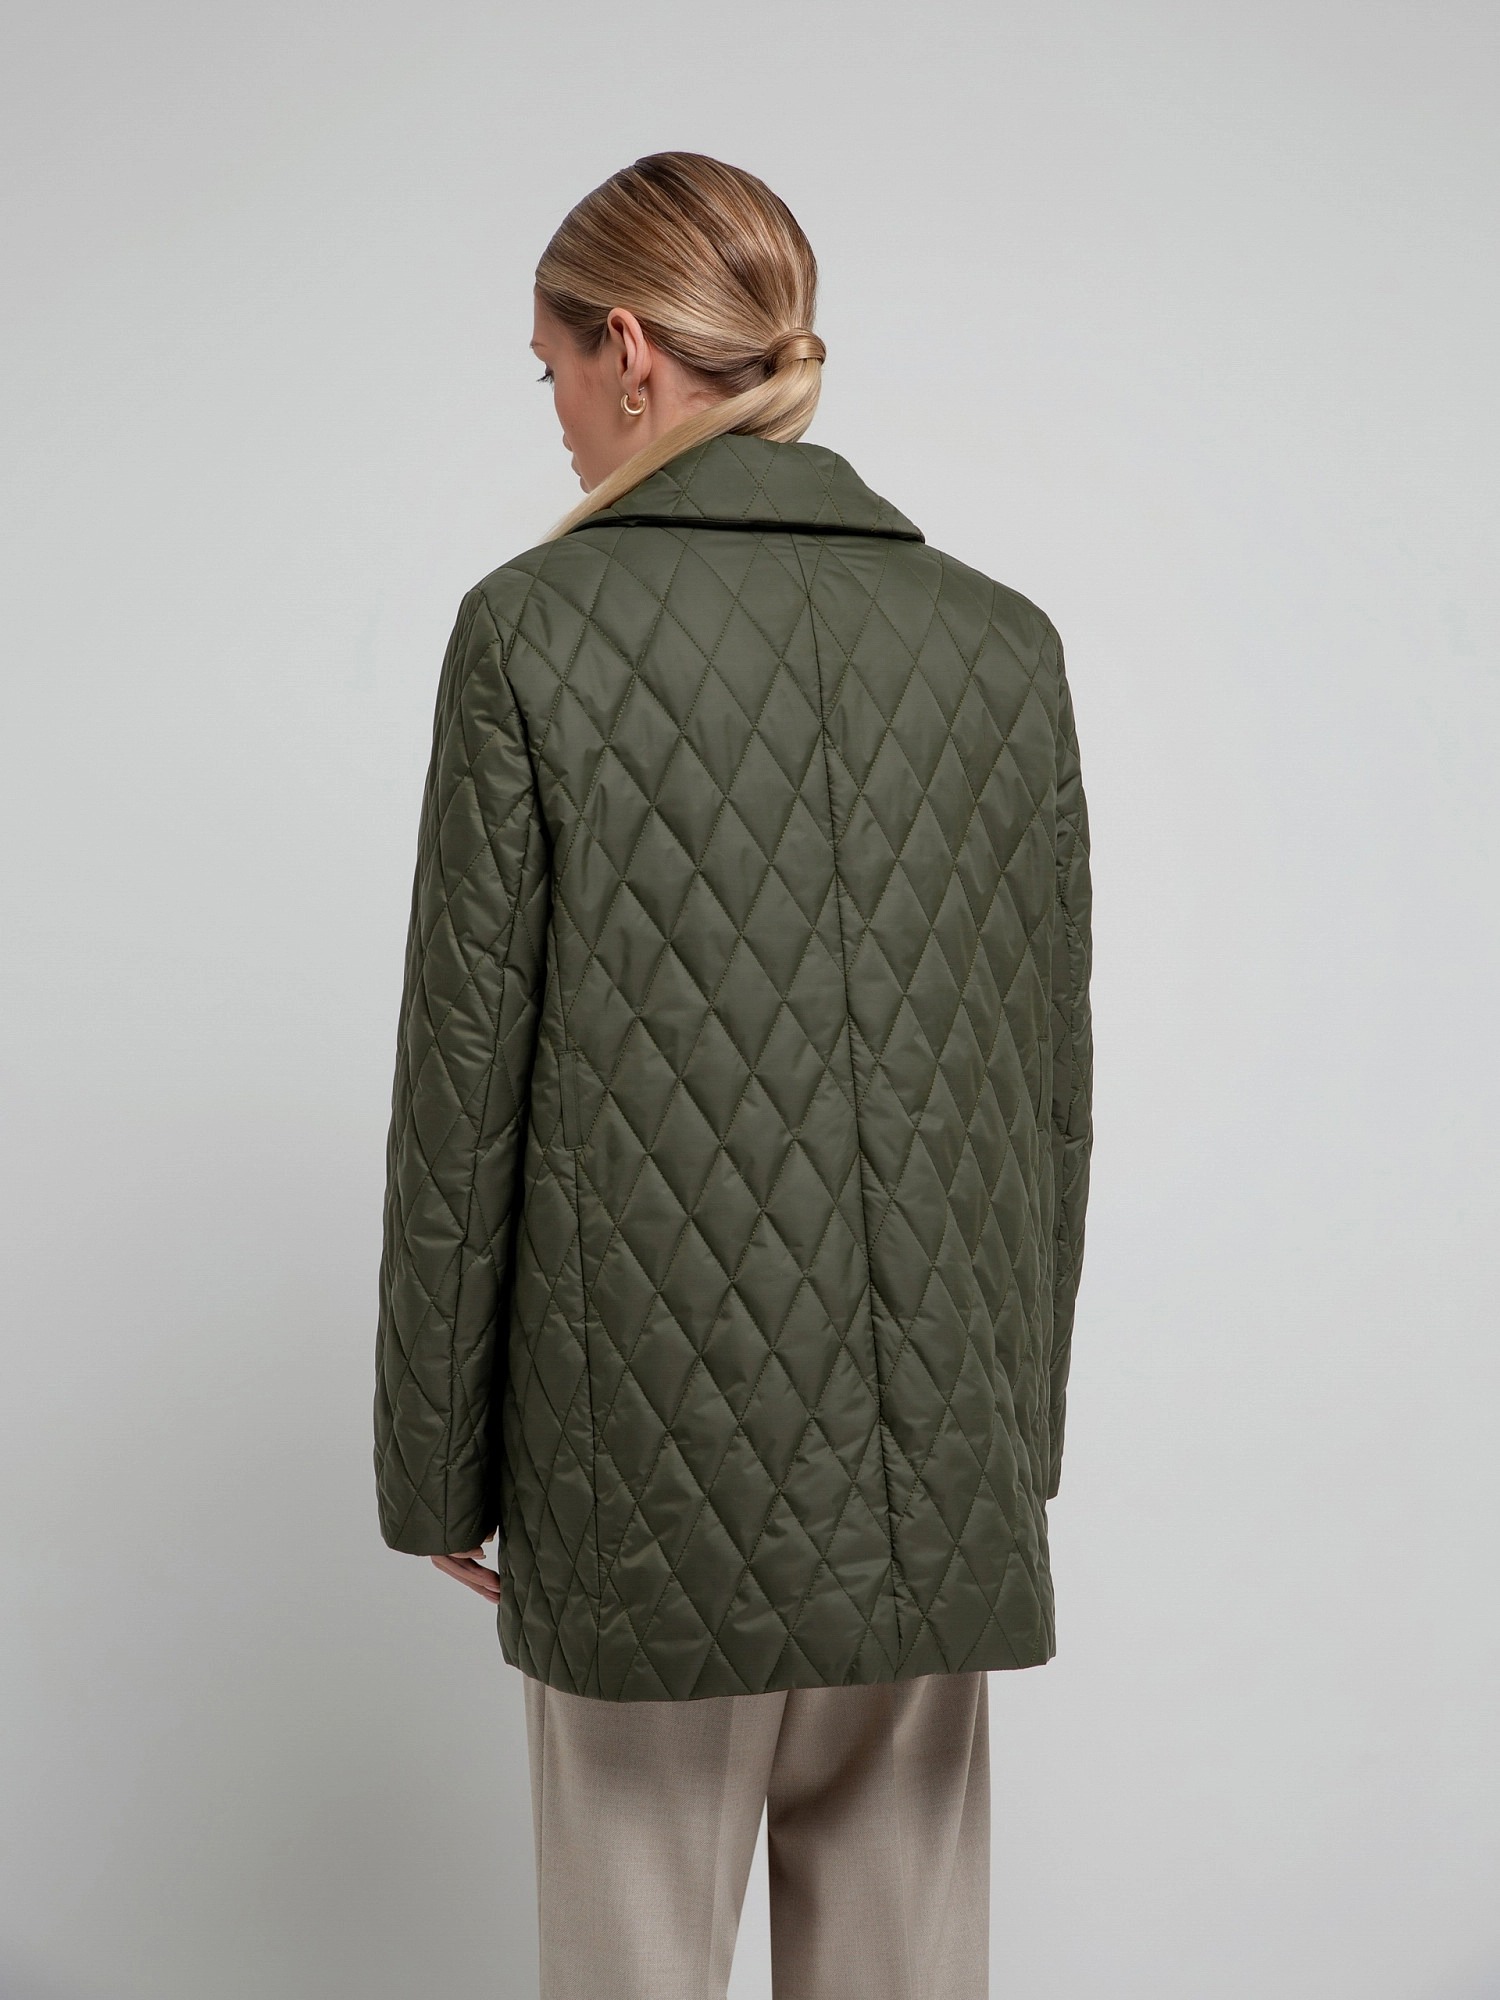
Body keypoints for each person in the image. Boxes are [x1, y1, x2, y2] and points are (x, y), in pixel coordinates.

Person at [373, 150, 1093, 2000]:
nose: (555, 416)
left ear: (627, 348)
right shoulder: (1003, 644)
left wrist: (436, 1472)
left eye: (551, 371)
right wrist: (1010, 1450)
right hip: (936, 1474)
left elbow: (466, 1087)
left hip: (643, 1484)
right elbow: (1048, 1094)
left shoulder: (534, 629)